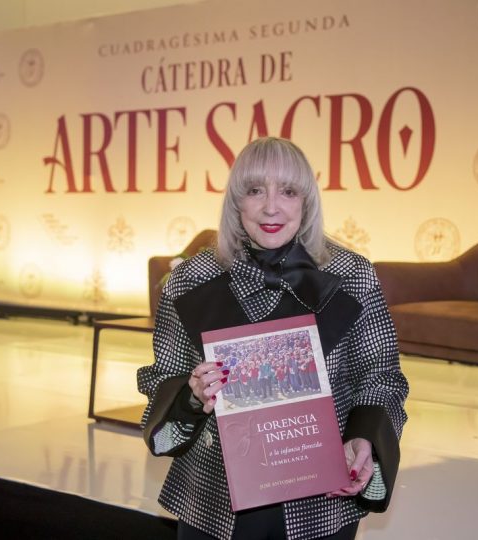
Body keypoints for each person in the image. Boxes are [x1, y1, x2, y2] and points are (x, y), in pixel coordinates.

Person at [137, 137, 409, 540]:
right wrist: (192, 397)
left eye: (288, 191)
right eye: (254, 190)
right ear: (236, 201)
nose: (270, 207)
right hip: (214, 497)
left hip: (320, 498)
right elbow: (163, 376)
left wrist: (362, 439)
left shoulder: (351, 276)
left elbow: (381, 376)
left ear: (306, 201)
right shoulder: (191, 280)